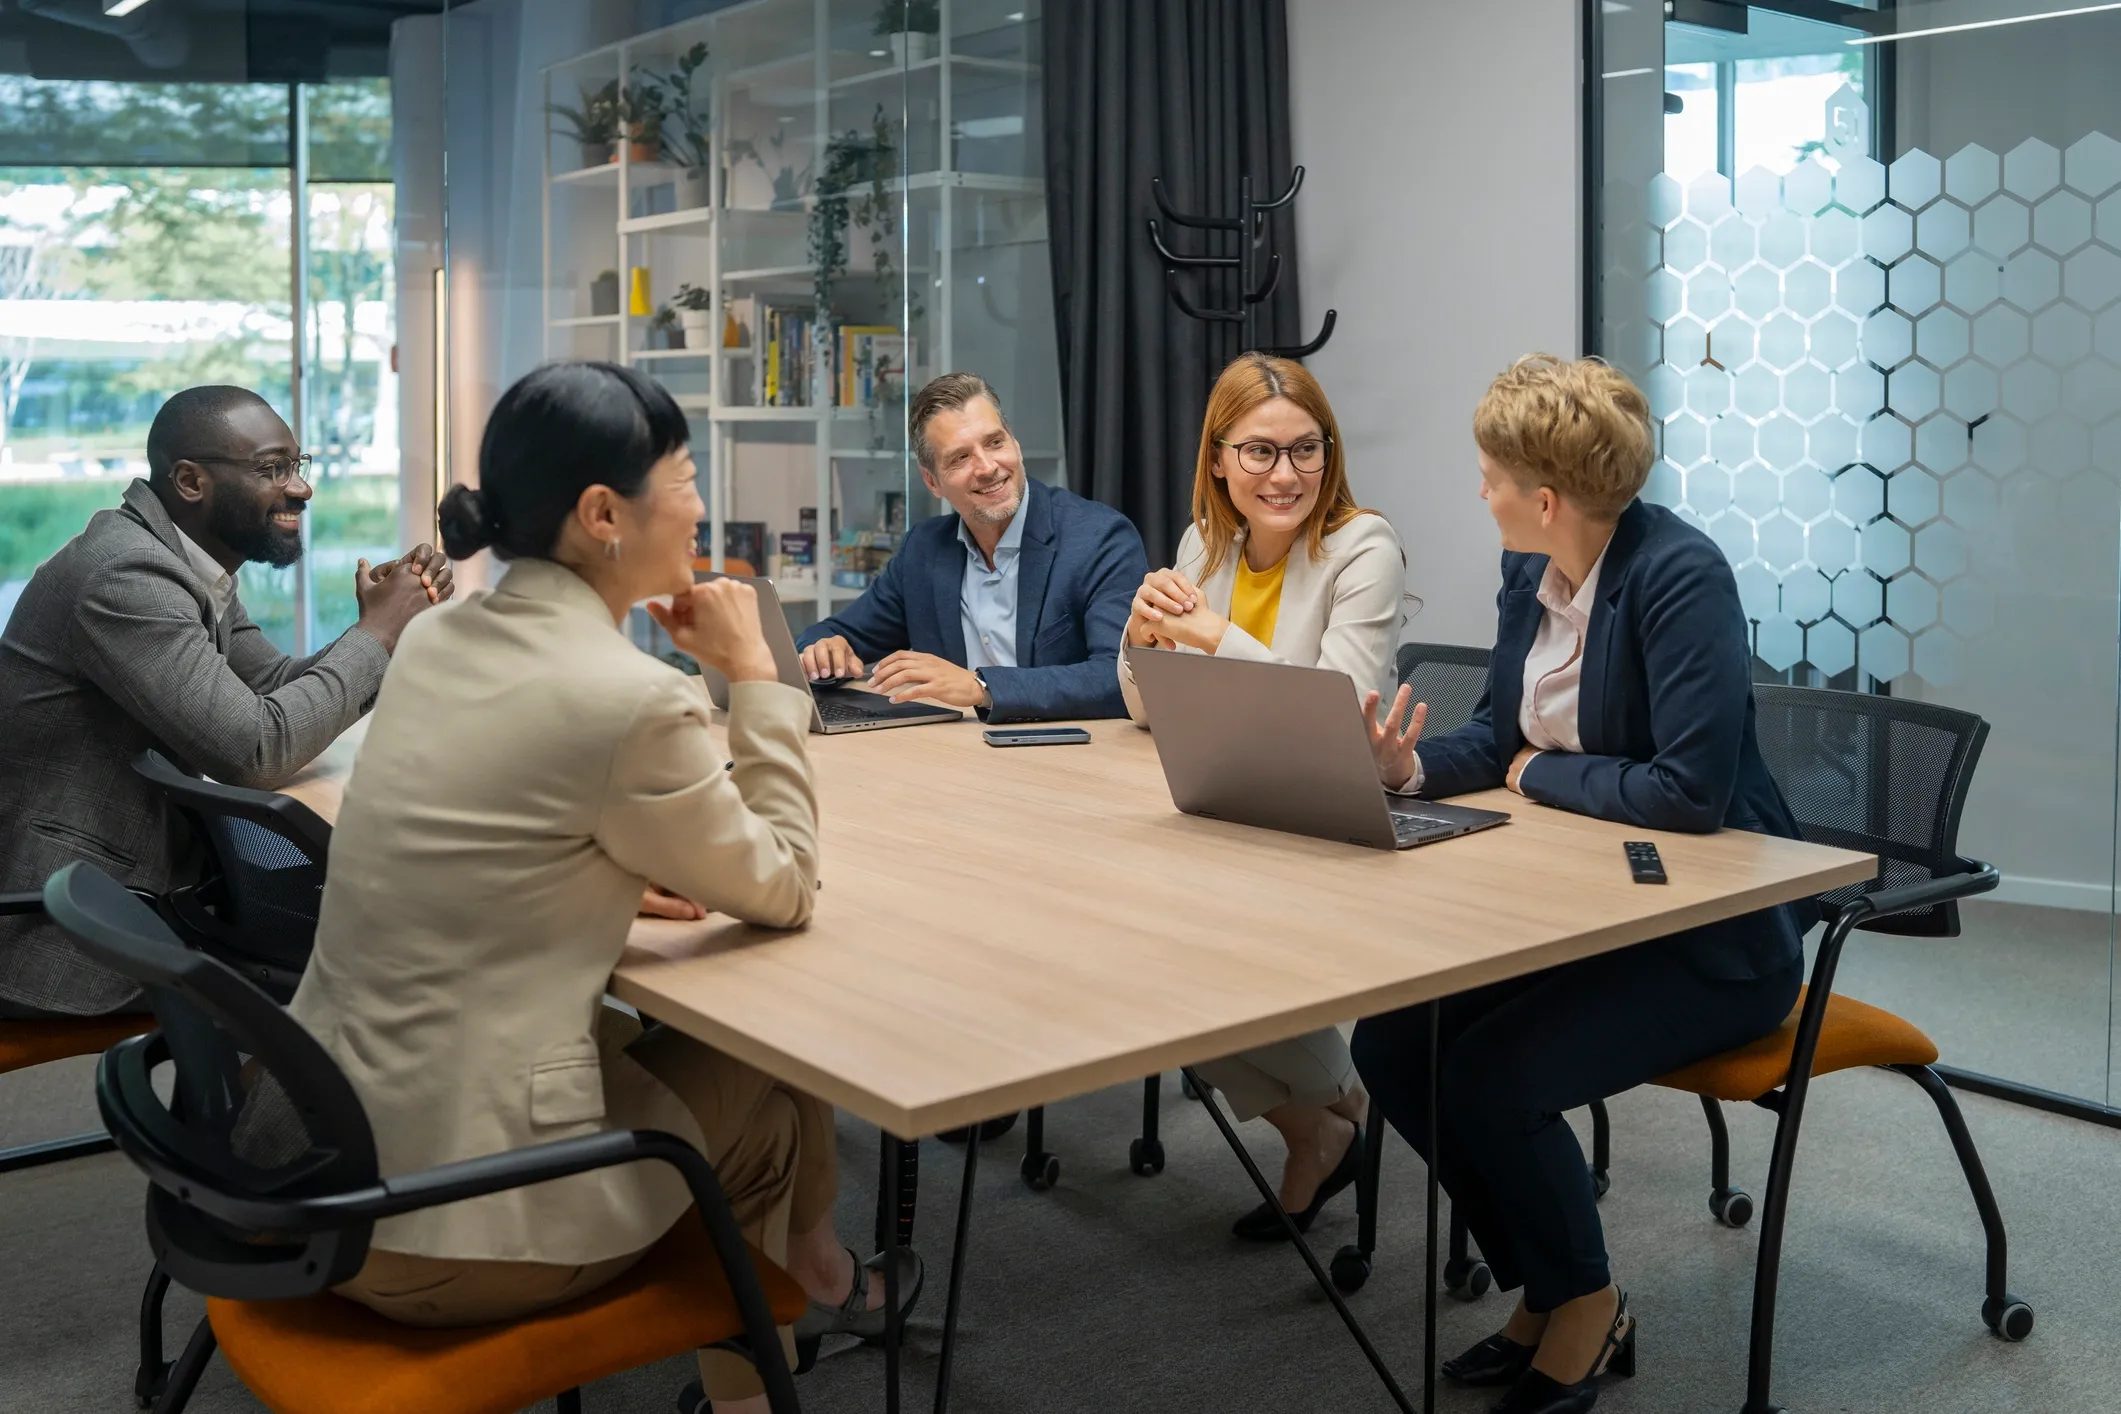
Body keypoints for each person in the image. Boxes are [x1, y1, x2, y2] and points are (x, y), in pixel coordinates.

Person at [286, 362, 917, 1414]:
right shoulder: (631, 699)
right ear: (601, 514)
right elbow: (787, 885)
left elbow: (490, 827)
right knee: (773, 1090)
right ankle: (797, 1313)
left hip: (332, 1158)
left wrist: (601, 875)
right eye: (683, 476)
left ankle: (811, 1284)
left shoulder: (440, 635)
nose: (703, 505)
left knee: (755, 1053)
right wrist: (757, 675)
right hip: (453, 1229)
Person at [1352, 355, 1808, 1414]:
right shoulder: (1531, 570)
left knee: (1492, 1080)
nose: (1479, 491)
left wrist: (1538, 774)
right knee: (1393, 1043)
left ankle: (1585, 1303)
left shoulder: (1679, 575)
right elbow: (1501, 733)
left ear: (1544, 497)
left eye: (1490, 475)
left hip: (1716, 937)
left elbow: (1691, 790)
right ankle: (1555, 1291)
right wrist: (1407, 772)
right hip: (1586, 911)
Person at [0, 385, 450, 1020]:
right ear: (190, 480)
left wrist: (385, 630)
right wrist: (374, 636)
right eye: (273, 468)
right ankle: (273, 1116)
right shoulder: (124, 577)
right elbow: (256, 749)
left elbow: (268, 685)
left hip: (154, 883)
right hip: (74, 927)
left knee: (373, 941)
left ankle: (273, 1110)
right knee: (379, 973)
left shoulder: (181, 560)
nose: (301, 488)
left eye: (298, 465)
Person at [1119, 350, 1407, 1240]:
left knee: (1182, 962)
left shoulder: (1364, 547)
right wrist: (1138, 642)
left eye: (1304, 450)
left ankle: (1327, 1111)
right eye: (1258, 452)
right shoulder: (1205, 546)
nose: (1284, 475)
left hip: (1332, 820)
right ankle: (1328, 1112)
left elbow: (1324, 713)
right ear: (1216, 459)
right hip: (1230, 803)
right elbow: (1146, 709)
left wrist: (1210, 636)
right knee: (1133, 951)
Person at [795, 372, 1147, 721]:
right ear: (932, 481)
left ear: (1016, 446)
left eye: (995, 442)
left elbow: (1120, 679)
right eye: (960, 458)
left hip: (1069, 762)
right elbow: (832, 635)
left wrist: (981, 687)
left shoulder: (1100, 538)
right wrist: (823, 652)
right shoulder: (924, 549)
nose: (987, 467)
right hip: (958, 759)